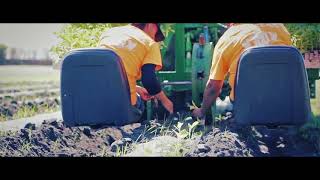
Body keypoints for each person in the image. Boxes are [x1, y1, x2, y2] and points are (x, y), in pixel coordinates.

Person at [192, 23, 292, 118]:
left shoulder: (227, 39)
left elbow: (213, 87)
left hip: (248, 107)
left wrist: (202, 111)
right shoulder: (280, 28)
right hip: (284, 101)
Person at [98, 23, 173, 122]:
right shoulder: (150, 43)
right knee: (139, 104)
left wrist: (136, 88)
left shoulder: (110, 33)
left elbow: (107, 70)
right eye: (156, 34)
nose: (155, 38)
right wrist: (165, 101)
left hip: (95, 99)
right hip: (120, 108)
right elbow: (149, 79)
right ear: (151, 25)